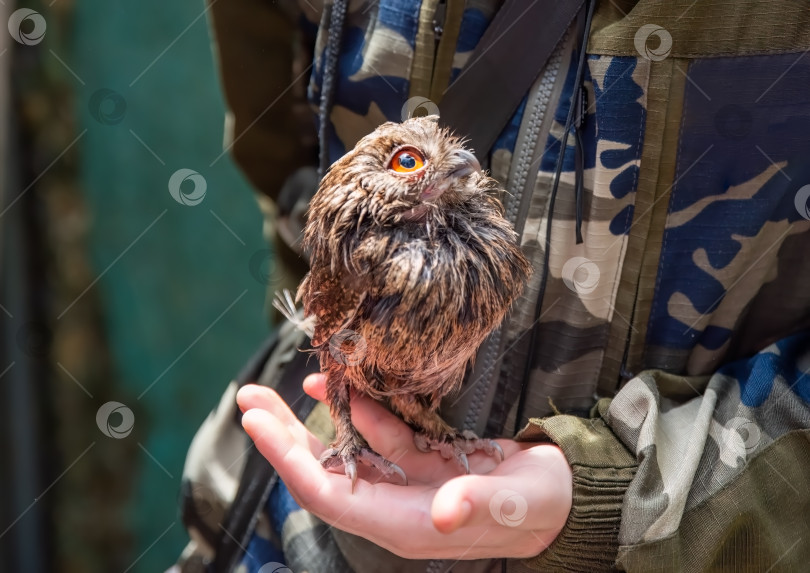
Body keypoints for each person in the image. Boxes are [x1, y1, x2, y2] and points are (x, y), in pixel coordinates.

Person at [175, 1, 810, 571]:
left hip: (677, 541)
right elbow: (281, 153)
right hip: (317, 535)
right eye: (407, 163)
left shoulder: (492, 255)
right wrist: (344, 428)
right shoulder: (357, 250)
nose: (447, 168)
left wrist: (627, 490)